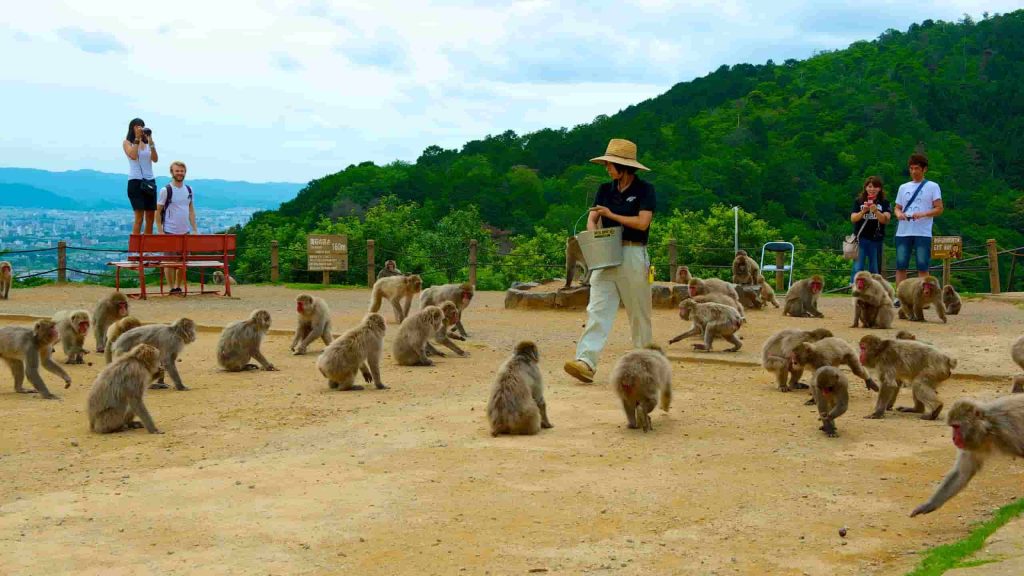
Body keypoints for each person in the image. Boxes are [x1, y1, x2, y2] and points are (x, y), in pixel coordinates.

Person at [564, 139, 655, 383]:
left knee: (638, 311)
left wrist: (612, 216)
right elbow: (592, 218)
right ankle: (586, 361)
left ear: (623, 167)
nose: (607, 168)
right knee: (597, 308)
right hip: (606, 253)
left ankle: (645, 365)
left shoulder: (645, 190)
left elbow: (643, 223)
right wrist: (594, 234)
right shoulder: (605, 189)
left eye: (610, 164)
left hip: (633, 252)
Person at [894, 153, 943, 294]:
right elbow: (897, 207)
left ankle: (924, 296)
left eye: (917, 168)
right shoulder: (903, 187)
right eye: (911, 168)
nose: (914, 171)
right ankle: (900, 296)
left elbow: (939, 208)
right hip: (904, 231)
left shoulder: (933, 186)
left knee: (922, 266)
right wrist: (899, 214)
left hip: (922, 232)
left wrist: (923, 214)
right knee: (901, 265)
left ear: (924, 169)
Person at [157, 161, 197, 294]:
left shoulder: (189, 190)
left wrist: (194, 228)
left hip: (185, 230)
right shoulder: (166, 190)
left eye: (182, 171)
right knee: (169, 261)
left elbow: (191, 210)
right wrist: (160, 230)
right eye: (177, 171)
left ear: (185, 172)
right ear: (172, 172)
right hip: (170, 230)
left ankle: (178, 286)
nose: (180, 173)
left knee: (182, 262)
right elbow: (158, 211)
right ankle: (171, 287)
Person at [849, 176, 891, 283]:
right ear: (866, 188)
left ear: (880, 188)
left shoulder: (884, 202)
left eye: (875, 187)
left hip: (876, 239)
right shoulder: (859, 201)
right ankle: (855, 287)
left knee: (875, 268)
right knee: (858, 266)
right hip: (861, 238)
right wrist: (863, 211)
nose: (872, 189)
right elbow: (853, 218)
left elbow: (885, 220)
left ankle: (875, 289)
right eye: (870, 186)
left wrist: (876, 211)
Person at [122, 118, 158, 234]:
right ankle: (135, 250)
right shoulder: (127, 142)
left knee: (150, 217)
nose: (139, 128)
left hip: (149, 181)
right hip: (135, 181)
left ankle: (147, 249)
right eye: (136, 126)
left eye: (141, 126)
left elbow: (155, 159)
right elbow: (132, 155)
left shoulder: (147, 144)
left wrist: (150, 142)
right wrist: (137, 138)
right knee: (139, 217)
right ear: (132, 128)